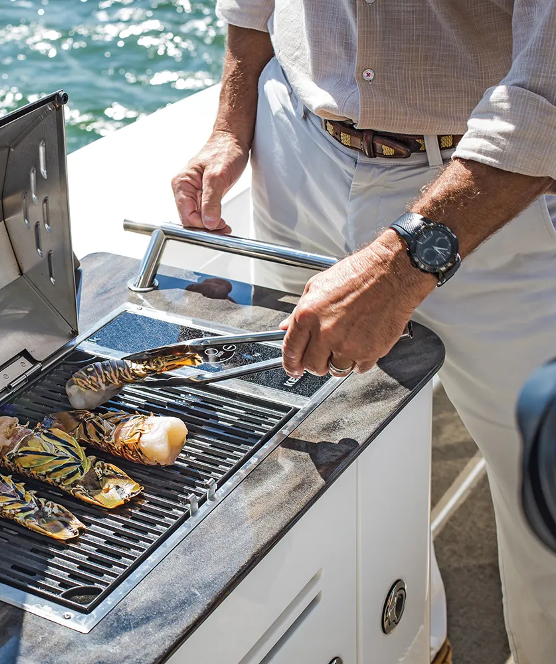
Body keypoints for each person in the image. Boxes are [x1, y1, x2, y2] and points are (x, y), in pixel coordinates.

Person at [171, 3, 556, 663]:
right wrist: (232, 121)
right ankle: (416, 645)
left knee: (544, 497)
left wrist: (398, 265)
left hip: (494, 193)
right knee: (315, 455)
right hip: (294, 146)